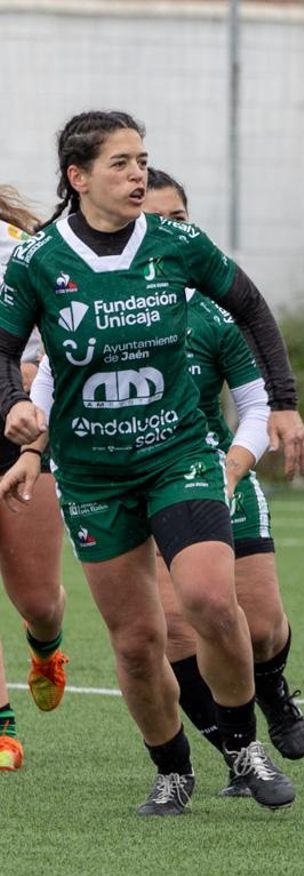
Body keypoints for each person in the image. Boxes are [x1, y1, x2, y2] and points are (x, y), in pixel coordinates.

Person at [0, 110, 304, 814]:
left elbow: (253, 307)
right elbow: (4, 348)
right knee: (138, 644)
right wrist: (13, 414)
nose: (138, 173)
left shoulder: (178, 244)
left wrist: (282, 401)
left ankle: (242, 744)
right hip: (92, 474)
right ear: (78, 178)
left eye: (142, 160)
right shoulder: (36, 261)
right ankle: (171, 769)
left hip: (177, 454)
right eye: (121, 163)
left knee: (208, 600)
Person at [0, 185, 69, 771]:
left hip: (18, 430)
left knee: (39, 600)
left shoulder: (19, 252)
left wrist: (25, 382)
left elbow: (54, 349)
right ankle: (2, 727)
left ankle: (46, 647)